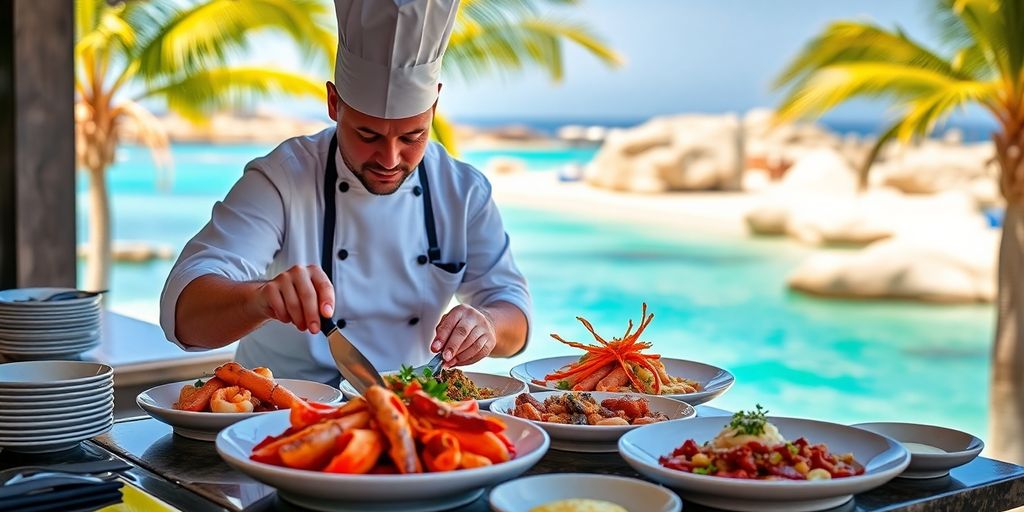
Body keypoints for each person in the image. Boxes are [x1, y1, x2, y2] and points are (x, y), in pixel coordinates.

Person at [158, 0, 530, 385]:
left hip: (409, 407)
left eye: (412, 136)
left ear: (434, 105)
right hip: (279, 411)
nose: (389, 158)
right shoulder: (281, 178)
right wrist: (261, 298)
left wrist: (486, 324)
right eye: (367, 135)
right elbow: (184, 316)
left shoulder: (463, 191)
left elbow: (514, 314)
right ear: (334, 103)